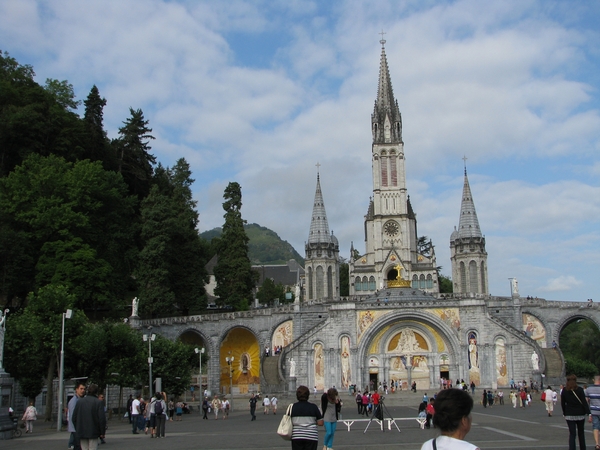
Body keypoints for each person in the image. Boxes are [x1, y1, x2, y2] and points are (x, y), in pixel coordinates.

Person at [72, 384, 106, 450]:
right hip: (93, 431)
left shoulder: (80, 402)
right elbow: (102, 419)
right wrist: (102, 432)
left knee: (84, 448)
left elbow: (74, 417)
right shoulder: (98, 402)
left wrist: (78, 428)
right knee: (92, 448)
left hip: (82, 431)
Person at [561, 374, 591, 450]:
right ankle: (583, 448)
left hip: (569, 413)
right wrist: (588, 412)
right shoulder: (580, 389)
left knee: (572, 434)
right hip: (580, 413)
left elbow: (563, 403)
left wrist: (564, 413)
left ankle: (572, 448)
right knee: (581, 433)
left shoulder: (564, 390)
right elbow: (584, 402)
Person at [290, 385, 323, 450]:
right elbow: (320, 423)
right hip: (311, 436)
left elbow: (290, 421)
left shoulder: (292, 407)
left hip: (297, 436)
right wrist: (312, 421)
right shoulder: (313, 407)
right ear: (308, 395)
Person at [68, 382, 86, 449]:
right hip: (76, 428)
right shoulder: (74, 401)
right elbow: (73, 416)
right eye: (81, 389)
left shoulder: (80, 399)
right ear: (76, 389)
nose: (83, 390)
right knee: (77, 446)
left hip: (78, 428)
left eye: (84, 389)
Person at [586, 375, 600, 450]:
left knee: (595, 427)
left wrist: (589, 413)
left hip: (594, 411)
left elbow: (586, 401)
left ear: (594, 380)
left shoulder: (589, 389)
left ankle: (597, 444)